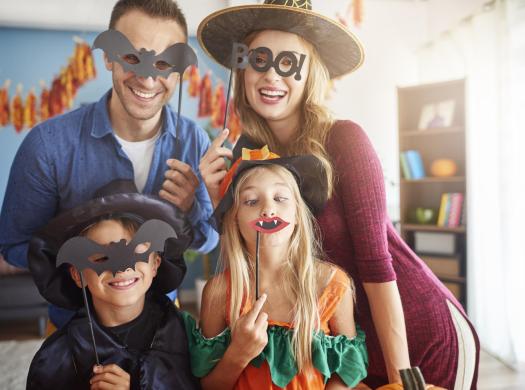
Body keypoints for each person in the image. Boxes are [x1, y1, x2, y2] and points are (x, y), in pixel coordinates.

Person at [197, 1, 479, 389]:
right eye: (259, 60)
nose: (271, 76)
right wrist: (218, 202)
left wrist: (402, 378)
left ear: (309, 71)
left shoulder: (344, 139)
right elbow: (253, 258)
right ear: (243, 69)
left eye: (289, 62)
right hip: (337, 344)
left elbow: (377, 263)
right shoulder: (247, 156)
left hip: (410, 334)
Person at [0, 0, 218, 327]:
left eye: (163, 62)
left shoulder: (194, 143)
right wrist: (85, 244)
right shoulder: (47, 146)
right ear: (107, 56)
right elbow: (14, 245)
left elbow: (208, 240)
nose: (147, 79)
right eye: (132, 58)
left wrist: (188, 211)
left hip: (162, 331)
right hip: (77, 331)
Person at [184, 146, 368, 389]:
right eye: (251, 200)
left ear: (298, 213)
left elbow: (346, 374)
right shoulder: (219, 293)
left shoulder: (332, 285)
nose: (268, 209)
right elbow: (210, 386)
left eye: (280, 198)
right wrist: (238, 353)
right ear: (234, 219)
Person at [26, 180, 200, 389]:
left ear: (155, 264)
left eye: (136, 253)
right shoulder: (57, 358)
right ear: (78, 274)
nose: (122, 269)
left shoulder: (184, 338)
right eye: (101, 258)